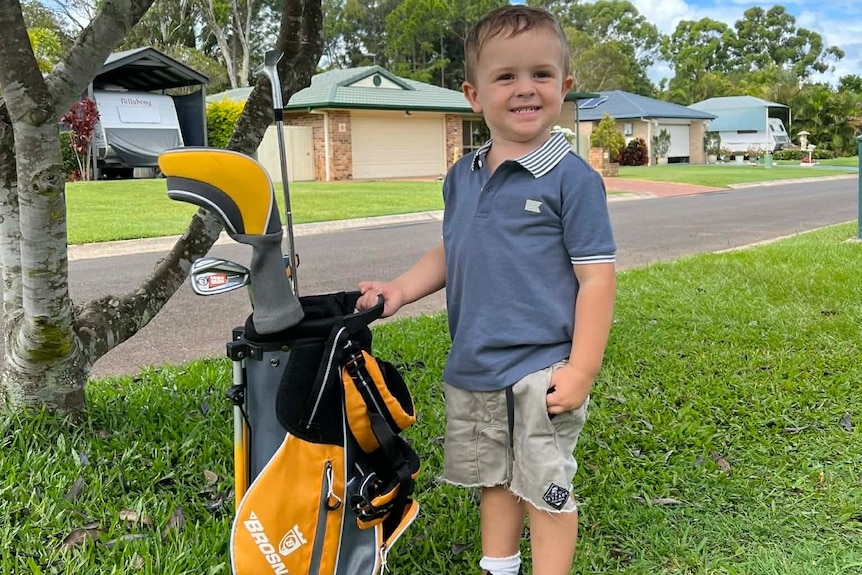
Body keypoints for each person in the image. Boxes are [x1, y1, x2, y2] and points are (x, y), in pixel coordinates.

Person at [356, 5, 616, 575]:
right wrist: (401, 289)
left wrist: (582, 370)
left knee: (545, 490)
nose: (526, 89)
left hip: (541, 371)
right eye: (506, 77)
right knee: (494, 480)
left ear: (565, 87)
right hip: (474, 366)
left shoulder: (574, 181)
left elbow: (596, 279)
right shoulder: (462, 174)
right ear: (474, 94)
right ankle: (498, 568)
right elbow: (457, 248)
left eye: (541, 75)